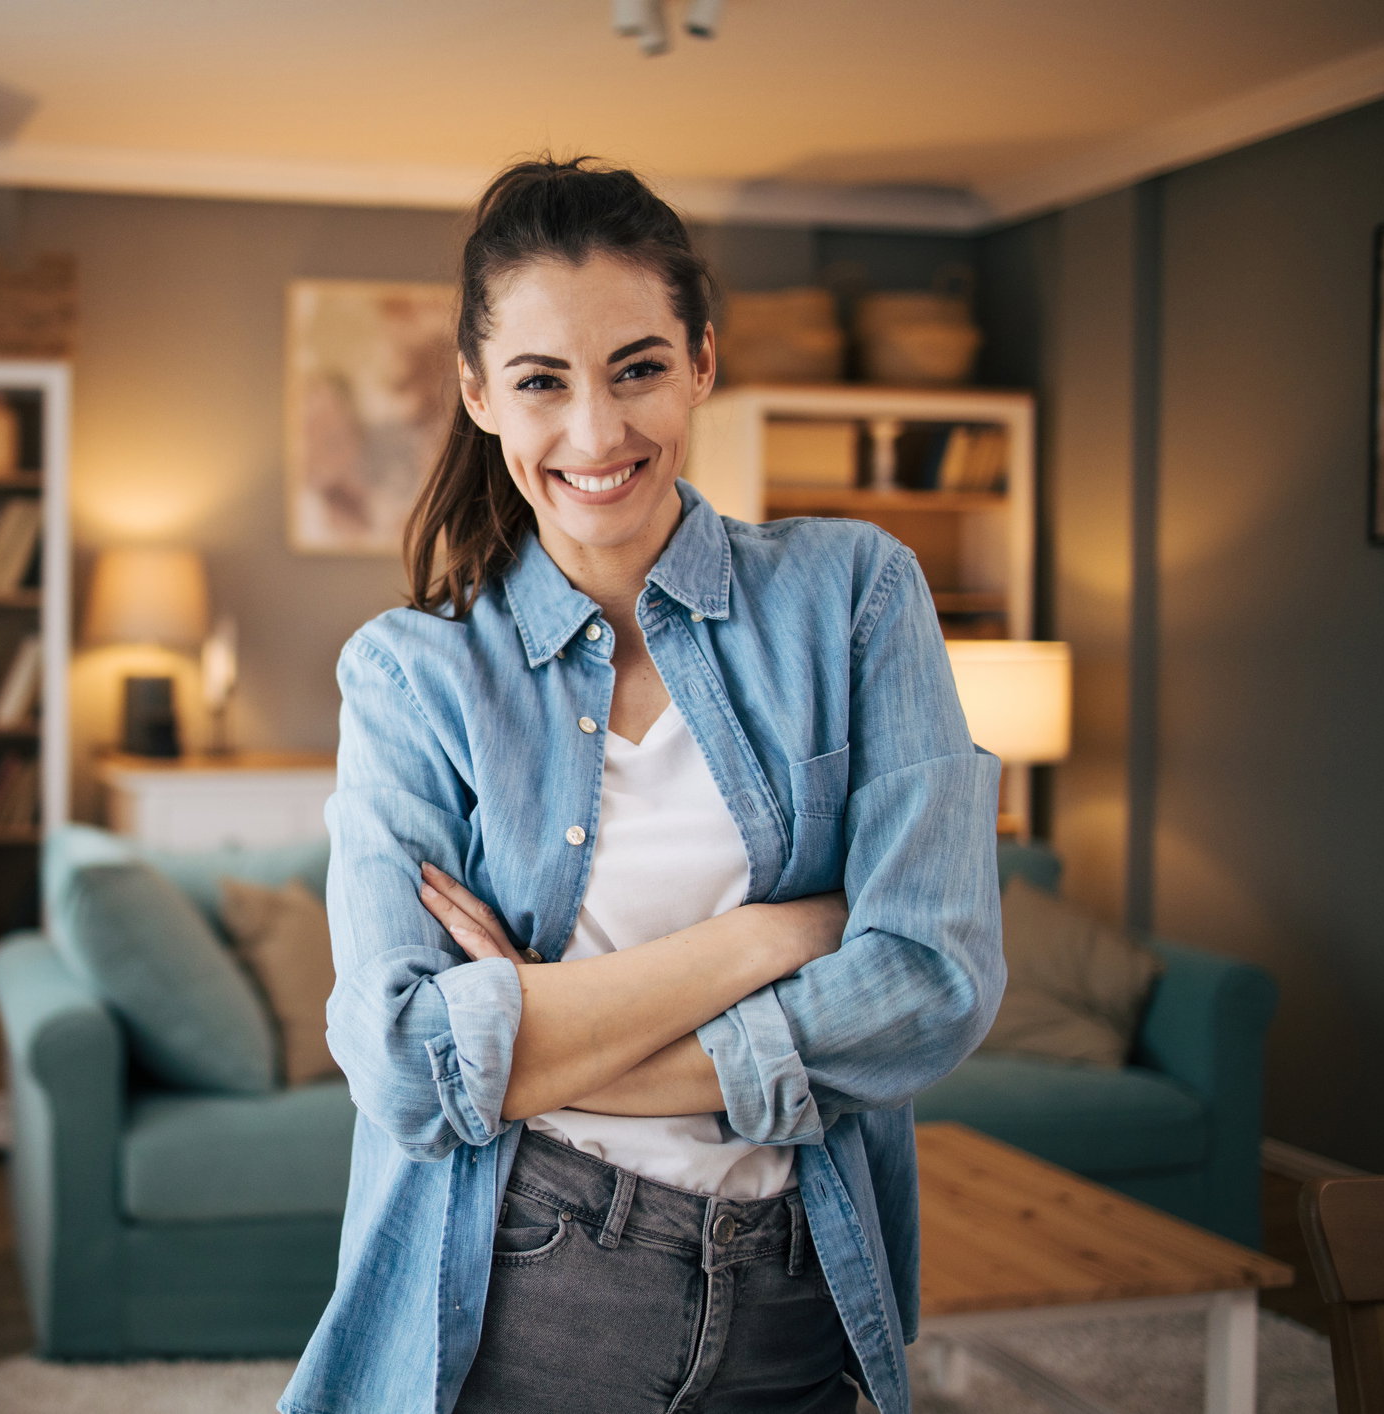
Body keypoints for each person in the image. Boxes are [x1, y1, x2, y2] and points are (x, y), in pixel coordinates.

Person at [278, 156, 1005, 1414]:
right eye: (541, 382)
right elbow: (403, 1061)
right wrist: (773, 938)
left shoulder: (858, 598)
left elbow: (934, 986)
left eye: (639, 368)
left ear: (703, 361)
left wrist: (530, 1038)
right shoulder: (412, 675)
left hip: (801, 1287)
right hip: (532, 1289)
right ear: (477, 392)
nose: (598, 434)